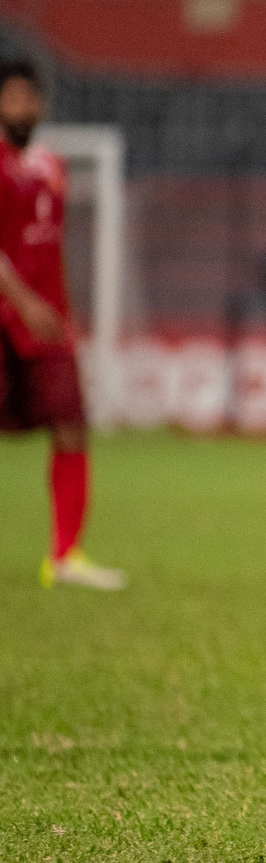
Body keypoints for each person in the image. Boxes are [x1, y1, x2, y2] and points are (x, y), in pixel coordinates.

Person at [0, 59, 125, 590]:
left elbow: (51, 251)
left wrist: (60, 310)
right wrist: (24, 302)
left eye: (30, 98)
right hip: (8, 313)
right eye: (12, 97)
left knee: (72, 424)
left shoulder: (53, 166)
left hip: (48, 321)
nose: (22, 107)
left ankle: (65, 555)